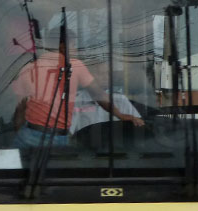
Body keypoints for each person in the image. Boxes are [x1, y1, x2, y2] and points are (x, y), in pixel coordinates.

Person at [12, 27, 144, 148]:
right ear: (62, 46)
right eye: (74, 45)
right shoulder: (75, 65)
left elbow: (20, 108)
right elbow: (99, 96)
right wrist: (120, 115)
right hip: (58, 138)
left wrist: (18, 133)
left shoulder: (28, 68)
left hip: (29, 134)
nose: (76, 49)